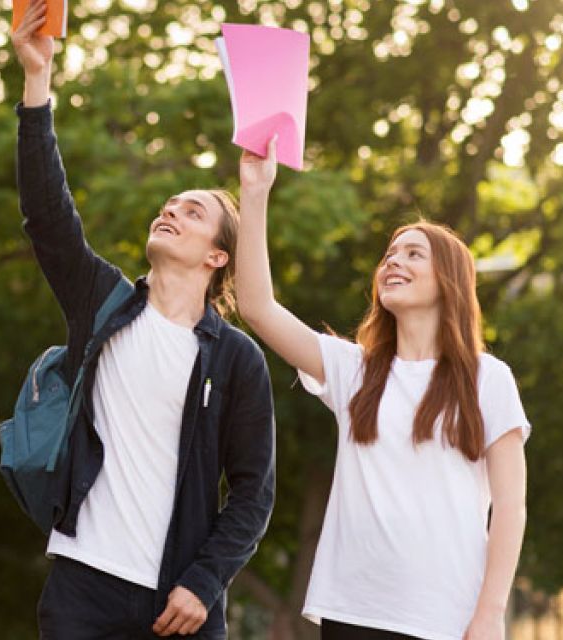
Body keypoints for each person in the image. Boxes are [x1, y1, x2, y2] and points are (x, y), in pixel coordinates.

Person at [10, 3, 276, 637]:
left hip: (179, 601)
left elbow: (253, 492)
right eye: (168, 205)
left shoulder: (236, 359)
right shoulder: (103, 304)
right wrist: (37, 83)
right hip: (83, 586)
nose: (171, 211)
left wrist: (206, 581)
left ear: (218, 255)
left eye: (191, 211)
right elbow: (49, 216)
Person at [235, 138, 530, 640]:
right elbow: (257, 307)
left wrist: (489, 614)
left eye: (413, 254)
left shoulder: (488, 379)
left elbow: (510, 506)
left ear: (449, 281)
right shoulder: (355, 370)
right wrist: (255, 192)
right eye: (390, 254)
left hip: (446, 616)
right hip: (352, 610)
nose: (393, 262)